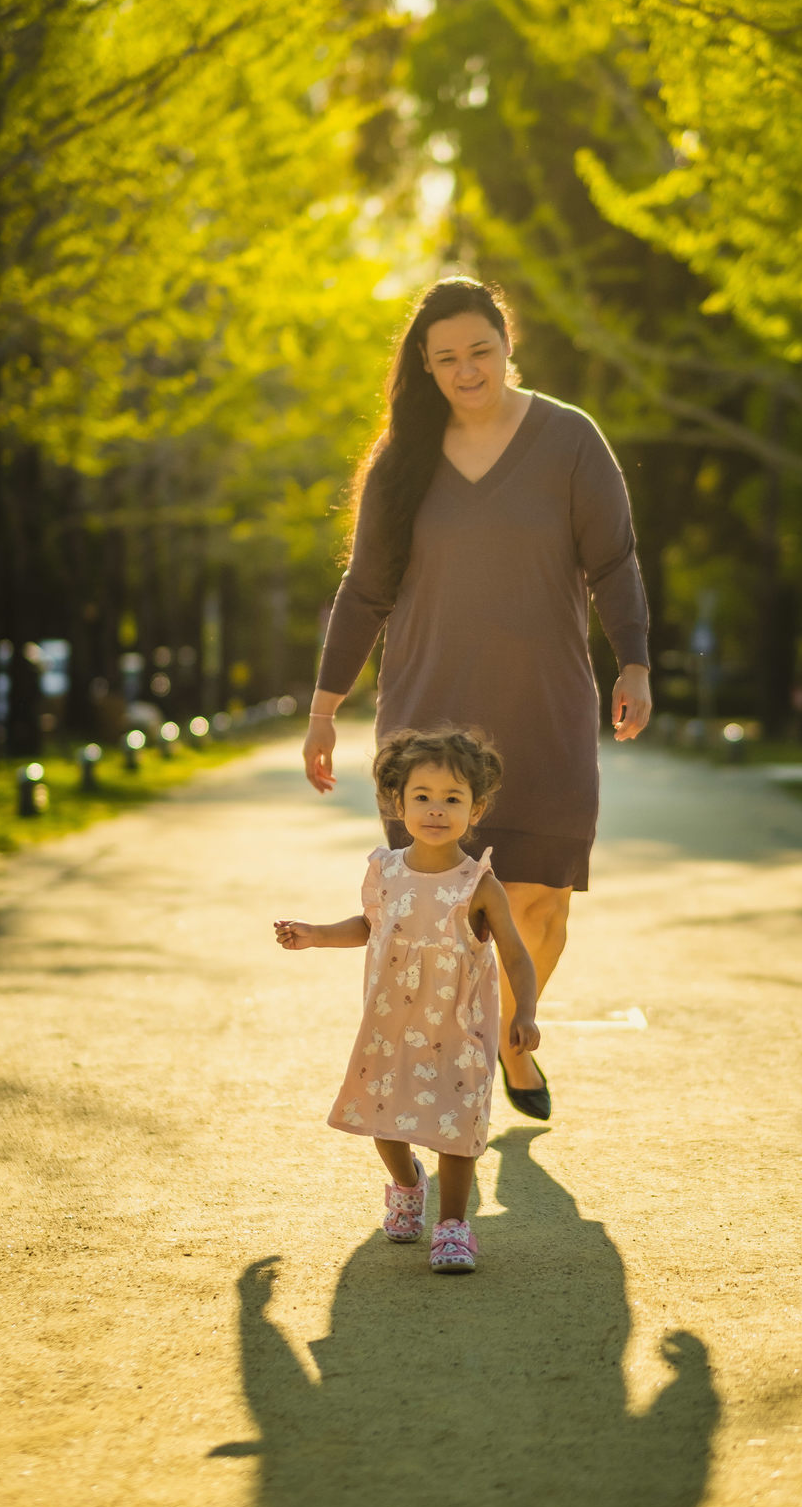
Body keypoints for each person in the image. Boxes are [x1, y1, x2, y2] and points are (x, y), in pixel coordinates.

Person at [304, 276, 651, 1121]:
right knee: (433, 909)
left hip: (545, 707)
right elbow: (364, 590)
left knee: (539, 900)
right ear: (424, 368)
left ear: (508, 346)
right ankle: (449, 1078)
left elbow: (614, 561)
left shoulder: (570, 440)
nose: (467, 370)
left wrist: (634, 663)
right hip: (429, 715)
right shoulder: (402, 463)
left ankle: (506, 1032)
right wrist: (323, 708)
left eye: (480, 351)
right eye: (446, 358)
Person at [274, 727, 539, 1275]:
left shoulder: (478, 885)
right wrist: (317, 933)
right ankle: (406, 1184)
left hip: (458, 1024)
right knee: (382, 1117)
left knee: (455, 1121)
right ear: (399, 803)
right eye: (422, 797)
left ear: (476, 807)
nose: (435, 810)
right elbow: (370, 926)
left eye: (452, 799)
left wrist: (527, 1012)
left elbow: (516, 955)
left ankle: (453, 1226)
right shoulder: (385, 870)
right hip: (391, 1021)